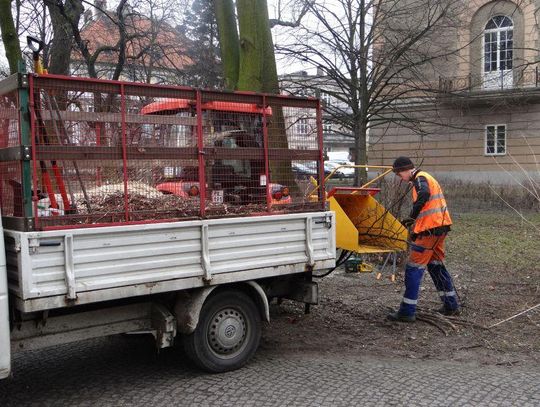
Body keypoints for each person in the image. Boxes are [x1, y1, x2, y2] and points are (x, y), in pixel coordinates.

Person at [388, 156, 460, 322]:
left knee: (413, 268)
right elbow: (428, 207)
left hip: (431, 230)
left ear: (406, 170)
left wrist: (411, 217)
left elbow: (424, 195)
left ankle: (407, 311)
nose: (400, 178)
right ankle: (451, 305)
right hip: (438, 229)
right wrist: (416, 230)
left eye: (400, 174)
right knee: (436, 266)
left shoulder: (420, 179)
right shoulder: (425, 178)